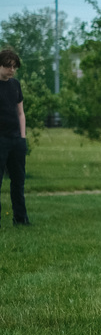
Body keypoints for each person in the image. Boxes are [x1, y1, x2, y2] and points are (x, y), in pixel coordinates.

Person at [0, 47, 29, 227]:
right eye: (8, 66)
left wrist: (22, 137)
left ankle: (21, 218)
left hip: (16, 140)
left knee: (18, 181)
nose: (12, 70)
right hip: (0, 141)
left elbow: (20, 113)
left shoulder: (15, 85)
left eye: (14, 67)